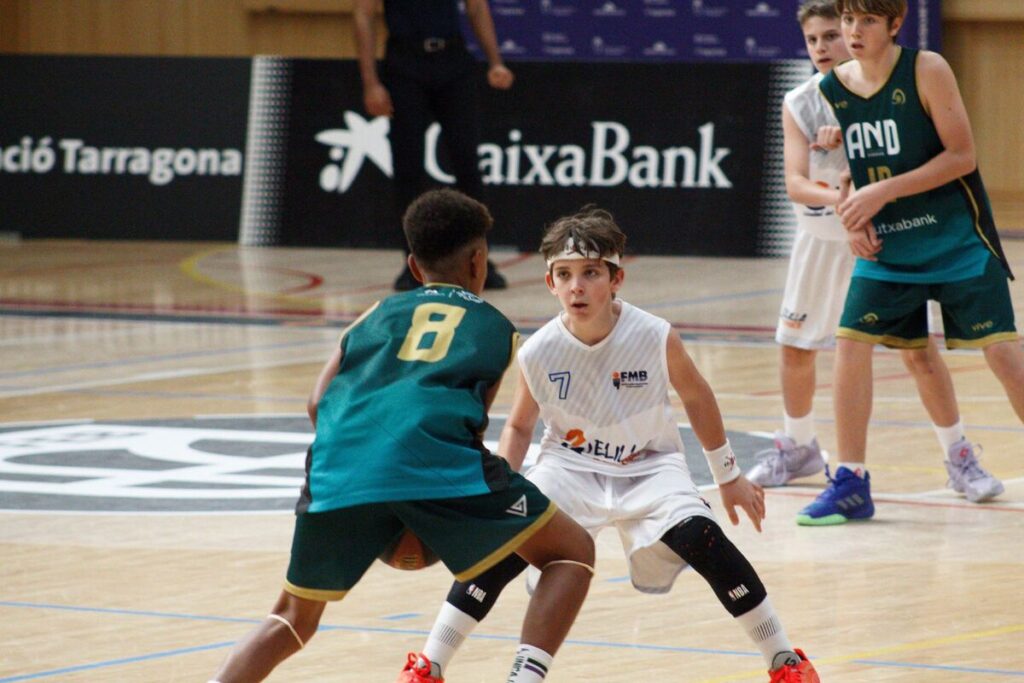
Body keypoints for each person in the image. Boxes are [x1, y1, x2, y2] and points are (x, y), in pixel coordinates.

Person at [396, 207, 819, 682]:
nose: (577, 286)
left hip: (649, 464)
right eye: (565, 274)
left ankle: (785, 662)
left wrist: (729, 476)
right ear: (550, 283)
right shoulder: (538, 350)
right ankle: (429, 666)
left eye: (591, 273)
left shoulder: (654, 335)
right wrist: (499, 494)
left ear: (617, 279)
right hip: (567, 468)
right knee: (503, 544)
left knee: (702, 537)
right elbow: (518, 427)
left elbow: (698, 397)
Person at [207, 189, 594, 683]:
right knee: (570, 551)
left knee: (290, 619)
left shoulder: (371, 315)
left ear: (413, 265)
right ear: (480, 261)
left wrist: (368, 480)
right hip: (436, 464)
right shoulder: (495, 327)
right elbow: (471, 423)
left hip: (337, 470)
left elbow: (315, 404)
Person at [748, 0, 1004, 516]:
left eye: (833, 35)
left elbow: (914, 158)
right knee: (796, 346)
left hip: (884, 239)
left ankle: (959, 456)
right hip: (825, 238)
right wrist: (844, 203)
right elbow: (797, 182)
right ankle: (800, 446)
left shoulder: (893, 81)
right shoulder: (803, 99)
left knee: (917, 352)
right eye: (815, 39)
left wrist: (856, 188)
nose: (825, 46)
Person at [353, 0, 512, 291]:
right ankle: (414, 263)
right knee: (408, 169)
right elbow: (364, 14)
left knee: (467, 166)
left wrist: (495, 61)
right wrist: (370, 82)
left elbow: (476, 7)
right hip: (404, 61)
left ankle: (479, 260)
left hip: (453, 59)